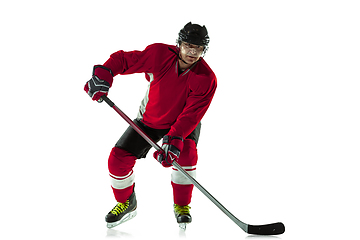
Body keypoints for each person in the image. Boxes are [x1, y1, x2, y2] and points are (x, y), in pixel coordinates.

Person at [84, 22, 217, 229]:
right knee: (117, 160)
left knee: (186, 155)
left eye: (198, 48)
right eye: (188, 45)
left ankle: (182, 206)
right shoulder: (159, 55)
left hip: (183, 124)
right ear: (178, 44)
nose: (192, 52)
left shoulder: (207, 79)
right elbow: (124, 60)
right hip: (150, 120)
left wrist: (174, 140)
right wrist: (106, 73)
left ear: (204, 50)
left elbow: (192, 114)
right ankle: (127, 202)